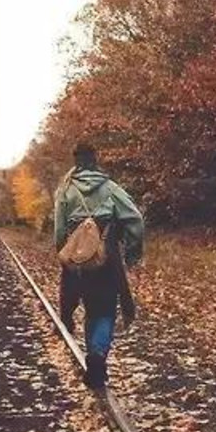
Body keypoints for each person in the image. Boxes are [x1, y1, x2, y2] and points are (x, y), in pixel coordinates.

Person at [54, 142, 144, 390]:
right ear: (95, 160)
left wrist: (67, 252)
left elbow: (59, 230)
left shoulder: (65, 190)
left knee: (84, 307)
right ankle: (97, 353)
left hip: (76, 263)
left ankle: (93, 356)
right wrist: (132, 252)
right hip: (108, 261)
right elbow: (135, 220)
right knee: (103, 311)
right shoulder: (111, 188)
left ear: (76, 161)